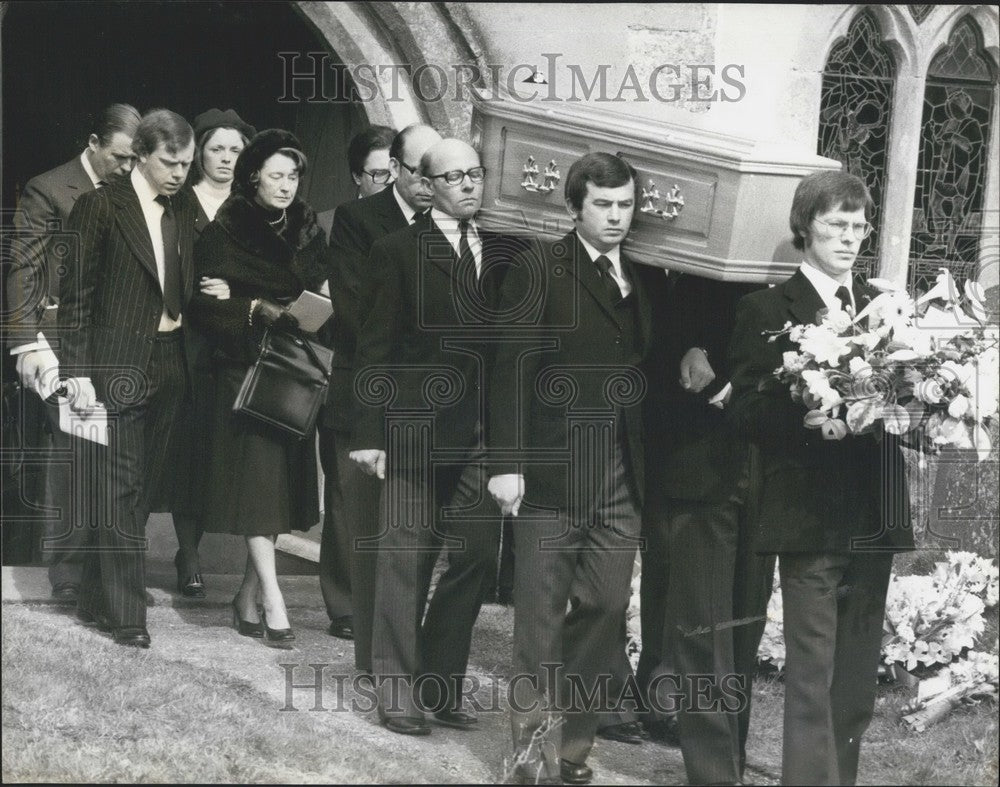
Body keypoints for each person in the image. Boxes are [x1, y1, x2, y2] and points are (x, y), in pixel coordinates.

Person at [726, 169, 913, 785]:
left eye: (859, 227)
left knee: (855, 682)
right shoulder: (764, 309)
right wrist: (807, 419)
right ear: (805, 227)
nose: (850, 237)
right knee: (812, 675)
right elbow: (749, 410)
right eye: (837, 224)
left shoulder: (888, 312)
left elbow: (905, 404)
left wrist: (913, 409)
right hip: (809, 511)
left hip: (874, 511)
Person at [350, 138, 525, 735]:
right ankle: (396, 691)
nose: (470, 185)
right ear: (427, 185)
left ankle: (438, 681)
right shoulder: (397, 252)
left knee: (476, 557)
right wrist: (369, 433)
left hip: (481, 434)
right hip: (413, 430)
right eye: (455, 177)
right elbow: (373, 346)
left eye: (476, 173)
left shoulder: (506, 252)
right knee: (406, 558)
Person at [489, 152, 651, 785]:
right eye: (604, 205)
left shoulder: (640, 276)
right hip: (551, 475)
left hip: (619, 478)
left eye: (626, 205)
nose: (617, 217)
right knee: (537, 621)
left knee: (606, 611)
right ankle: (529, 760)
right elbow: (510, 371)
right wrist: (506, 464)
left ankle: (575, 750)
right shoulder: (538, 269)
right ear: (575, 207)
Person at [58, 109, 197, 648]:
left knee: (139, 492)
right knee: (119, 489)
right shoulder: (100, 206)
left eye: (186, 163)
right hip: (114, 367)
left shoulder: (182, 208)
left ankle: (97, 598)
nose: (180, 173)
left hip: (170, 361)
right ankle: (127, 615)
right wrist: (77, 374)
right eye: (170, 162)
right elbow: (76, 301)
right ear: (140, 154)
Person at [188, 129, 330, 647]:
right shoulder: (225, 229)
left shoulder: (310, 228)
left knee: (277, 493)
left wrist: (299, 302)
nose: (287, 185)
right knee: (257, 490)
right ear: (253, 178)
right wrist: (250, 306)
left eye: (293, 176)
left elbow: (317, 292)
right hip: (244, 373)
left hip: (292, 372)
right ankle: (273, 599)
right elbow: (204, 305)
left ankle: (245, 597)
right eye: (276, 175)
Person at [637, 268, 774, 784]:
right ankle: (707, 759)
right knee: (694, 611)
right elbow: (662, 330)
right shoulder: (693, 270)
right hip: (691, 453)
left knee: (743, 619)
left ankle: (726, 757)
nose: (849, 236)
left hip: (756, 463)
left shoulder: (789, 283)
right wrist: (695, 350)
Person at [5, 103, 140, 601]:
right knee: (71, 450)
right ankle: (67, 575)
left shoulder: (133, 190)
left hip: (117, 340)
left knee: (115, 457)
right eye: (120, 158)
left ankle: (112, 575)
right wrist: (25, 344)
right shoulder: (48, 188)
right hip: (61, 343)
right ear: (93, 144)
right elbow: (24, 268)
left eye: (133, 160)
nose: (127, 168)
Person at [317, 124, 441, 665]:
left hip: (431, 405)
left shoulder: (452, 226)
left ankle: (403, 640)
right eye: (419, 171)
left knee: (417, 534)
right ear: (395, 167)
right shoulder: (357, 221)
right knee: (363, 522)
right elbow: (354, 309)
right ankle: (369, 647)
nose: (430, 183)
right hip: (366, 393)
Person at [157, 107, 256, 598]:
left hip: (235, 344)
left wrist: (236, 287)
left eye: (236, 150)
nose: (226, 158)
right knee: (188, 447)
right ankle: (189, 553)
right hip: (188, 339)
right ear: (198, 154)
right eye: (217, 148)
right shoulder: (180, 204)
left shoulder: (252, 209)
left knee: (224, 448)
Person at [348, 124, 396, 199]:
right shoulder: (344, 210)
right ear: (357, 177)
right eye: (380, 173)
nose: (392, 180)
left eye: (398, 171)